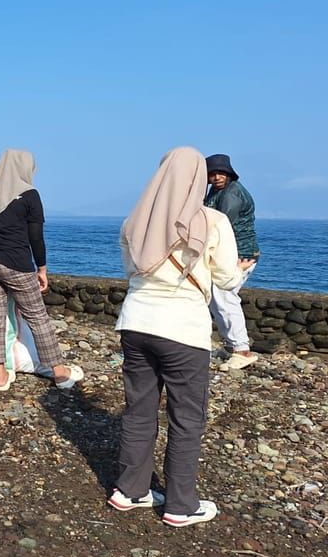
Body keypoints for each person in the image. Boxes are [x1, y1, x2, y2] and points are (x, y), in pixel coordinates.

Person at [110, 146, 251, 527]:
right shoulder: (213, 220)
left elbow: (131, 270)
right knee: (186, 418)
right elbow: (225, 280)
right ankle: (180, 505)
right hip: (183, 332)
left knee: (139, 411)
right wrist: (243, 269)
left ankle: (130, 490)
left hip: (136, 324)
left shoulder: (133, 221)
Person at [0, 149, 83, 391]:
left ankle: (0, 376)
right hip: (15, 264)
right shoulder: (29, 195)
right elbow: (36, 238)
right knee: (38, 318)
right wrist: (41, 268)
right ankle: (60, 373)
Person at [204, 154, 261, 369]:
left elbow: (219, 222)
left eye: (221, 173)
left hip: (240, 254)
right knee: (216, 297)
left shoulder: (233, 192)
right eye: (212, 174)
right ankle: (231, 347)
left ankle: (242, 350)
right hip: (228, 253)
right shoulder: (216, 190)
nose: (217, 177)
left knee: (224, 295)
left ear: (229, 173)